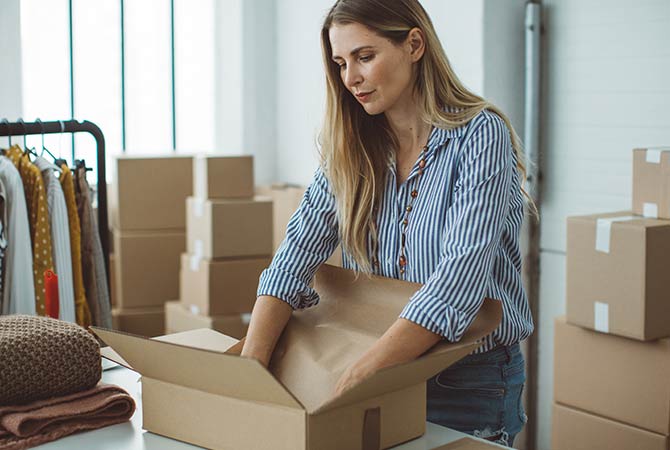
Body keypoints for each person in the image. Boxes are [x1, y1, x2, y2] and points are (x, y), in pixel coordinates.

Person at [241, 0, 535, 446]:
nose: (350, 78)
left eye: (364, 56)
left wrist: (361, 371)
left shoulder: (480, 137)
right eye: (341, 63)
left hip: (466, 382)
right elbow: (295, 255)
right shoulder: (351, 148)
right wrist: (249, 372)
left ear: (414, 44)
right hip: (379, 372)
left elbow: (457, 281)